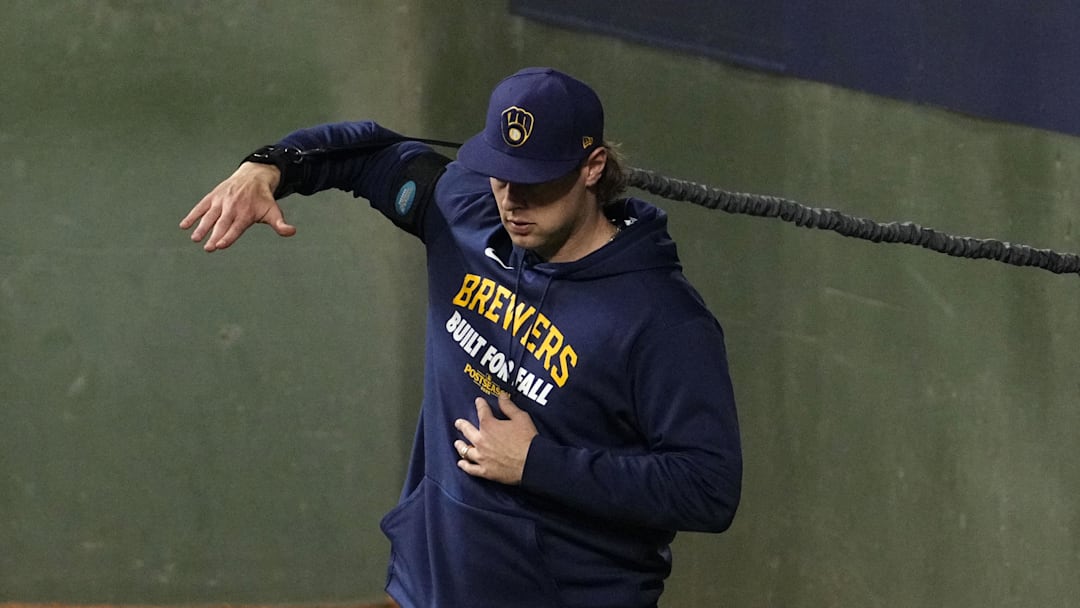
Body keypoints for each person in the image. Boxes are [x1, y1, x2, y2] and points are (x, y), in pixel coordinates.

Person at [181, 67, 741, 608]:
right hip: (435, 587)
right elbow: (373, 153)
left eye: (535, 181)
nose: (512, 202)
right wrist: (268, 167)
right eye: (501, 175)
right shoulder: (465, 215)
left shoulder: (663, 320)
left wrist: (537, 463)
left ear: (592, 167)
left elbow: (708, 488)